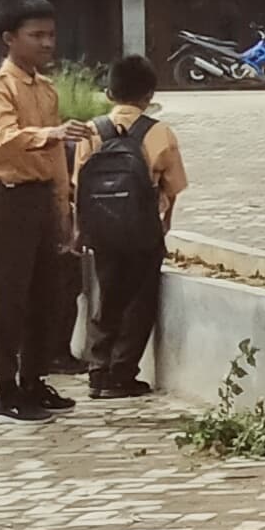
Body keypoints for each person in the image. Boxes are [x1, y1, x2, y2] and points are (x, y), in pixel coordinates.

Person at [0, 0, 83, 421]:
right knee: (6, 296)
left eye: (50, 35)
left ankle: (34, 378)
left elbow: (54, 159)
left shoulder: (46, 90)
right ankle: (5, 388)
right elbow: (6, 137)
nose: (47, 44)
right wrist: (51, 134)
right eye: (36, 36)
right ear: (10, 38)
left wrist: (64, 208)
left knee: (47, 293)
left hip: (41, 197)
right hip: (7, 199)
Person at [74, 55, 187, 397]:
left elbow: (77, 185)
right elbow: (173, 185)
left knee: (105, 295)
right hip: (142, 231)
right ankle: (122, 373)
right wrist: (164, 223)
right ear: (149, 95)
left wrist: (80, 228)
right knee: (139, 300)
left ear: (109, 93)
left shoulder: (91, 131)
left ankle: (98, 371)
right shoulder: (160, 132)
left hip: (101, 231)